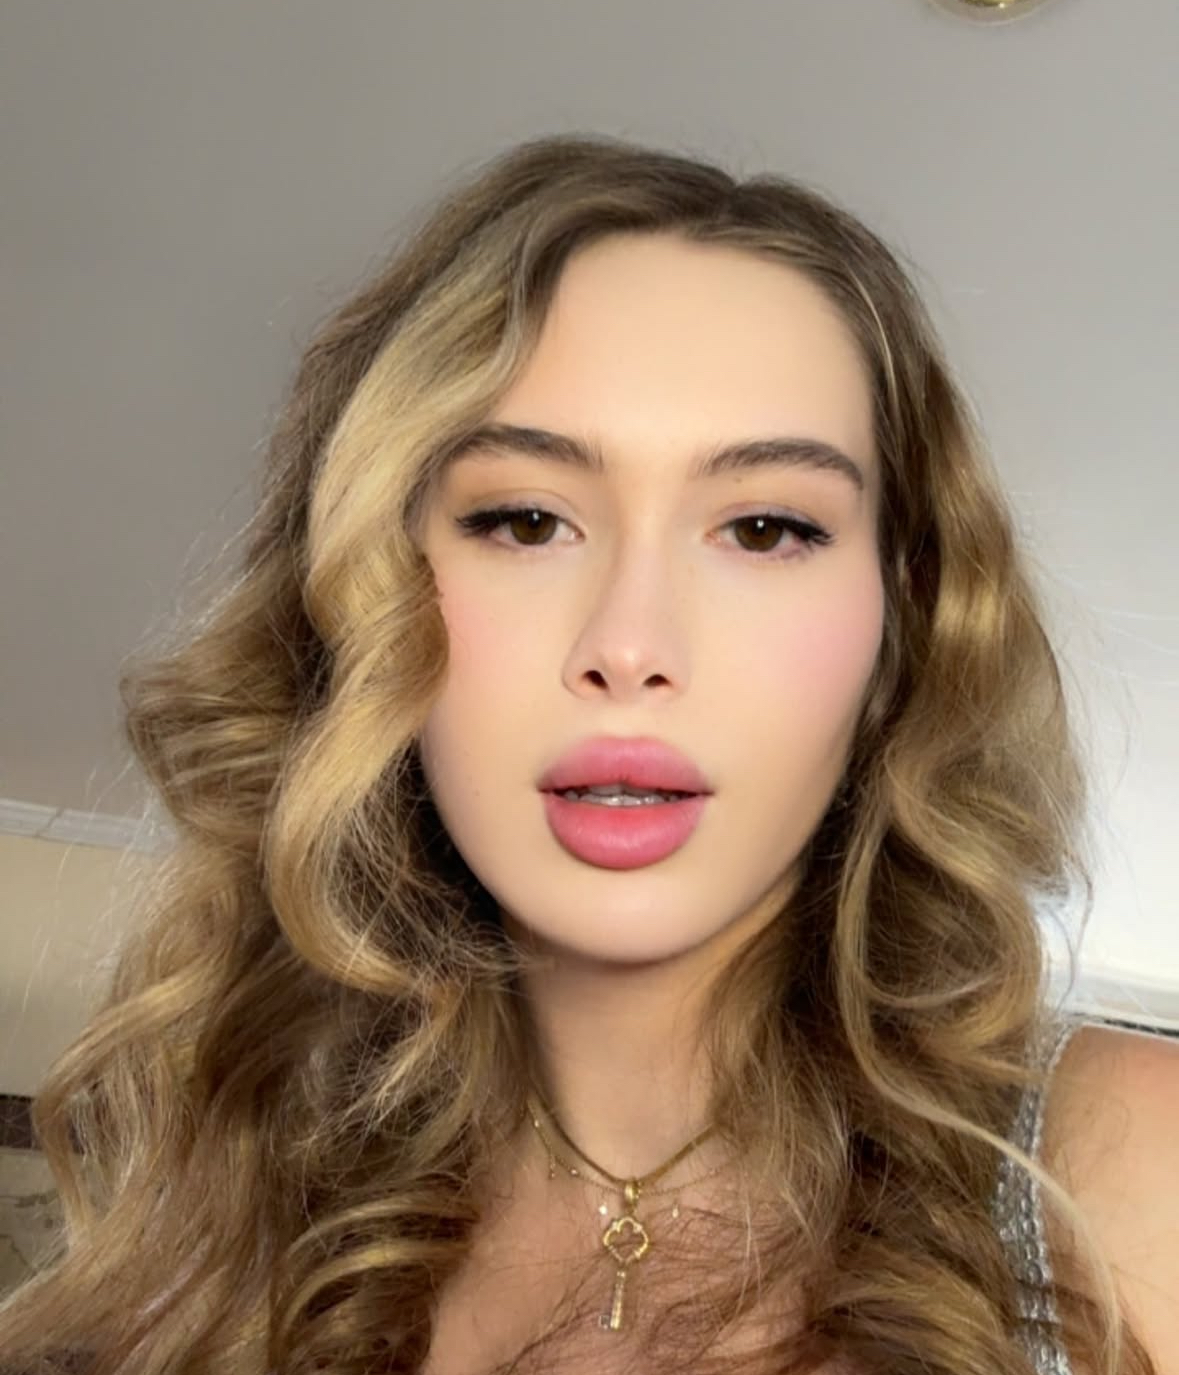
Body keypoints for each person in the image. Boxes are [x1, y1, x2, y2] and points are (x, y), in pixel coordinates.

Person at [0, 133, 1175, 1375]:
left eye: (764, 528)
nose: (630, 645)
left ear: (905, 618)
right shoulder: (218, 1244)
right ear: (362, 595)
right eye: (525, 520)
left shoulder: (1126, 1170)